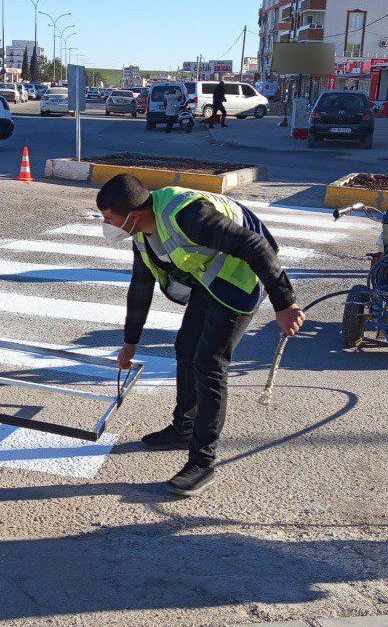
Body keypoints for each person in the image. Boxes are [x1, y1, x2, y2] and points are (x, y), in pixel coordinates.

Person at [97, 174, 304, 496]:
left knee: (209, 364)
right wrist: (129, 343)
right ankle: (184, 428)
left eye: (110, 218)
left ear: (132, 215)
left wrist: (284, 303)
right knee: (186, 348)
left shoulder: (188, 216)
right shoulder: (141, 233)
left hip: (242, 276)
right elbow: (140, 286)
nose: (107, 224)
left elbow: (256, 245)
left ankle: (202, 462)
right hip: (210, 277)